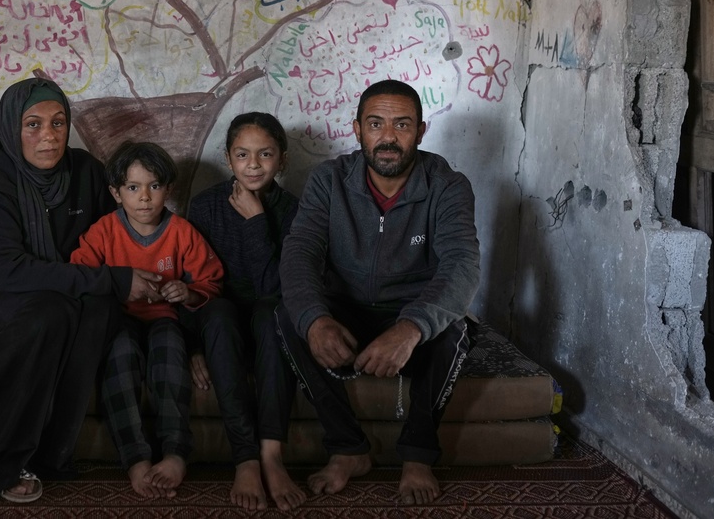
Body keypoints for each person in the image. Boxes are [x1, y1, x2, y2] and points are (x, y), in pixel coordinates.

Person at [0, 77, 164, 503]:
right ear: (11, 127)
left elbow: (118, 240)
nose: (48, 137)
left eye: (58, 123)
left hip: (57, 303)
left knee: (98, 309)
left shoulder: (86, 172)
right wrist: (111, 278)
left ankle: (46, 454)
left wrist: (151, 283)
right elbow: (8, 273)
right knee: (50, 313)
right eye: (32, 125)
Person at [276, 79, 480, 505]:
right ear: (357, 129)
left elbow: (462, 265)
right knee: (287, 314)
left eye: (402, 125)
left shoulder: (447, 185)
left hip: (409, 313)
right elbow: (299, 254)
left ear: (421, 132)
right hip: (345, 312)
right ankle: (348, 448)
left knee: (456, 329)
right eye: (376, 124)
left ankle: (418, 455)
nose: (388, 137)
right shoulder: (328, 180)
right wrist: (315, 319)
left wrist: (411, 328)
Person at [70, 141, 223, 499]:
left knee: (169, 348)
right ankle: (136, 457)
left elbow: (211, 280)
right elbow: (79, 273)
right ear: (115, 192)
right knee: (120, 353)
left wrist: (188, 293)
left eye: (154, 187)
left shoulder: (182, 232)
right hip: (119, 321)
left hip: (165, 321)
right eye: (133, 188)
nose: (144, 198)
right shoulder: (104, 231)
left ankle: (174, 453)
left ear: (168, 189)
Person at [183, 112, 307, 511]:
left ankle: (271, 455)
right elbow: (190, 285)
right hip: (219, 328)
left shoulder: (294, 212)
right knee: (218, 311)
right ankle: (246, 459)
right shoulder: (204, 207)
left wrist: (256, 221)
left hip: (270, 325)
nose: (253, 164)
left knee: (272, 311)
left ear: (282, 160)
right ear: (228, 157)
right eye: (243, 154)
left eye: (265, 154)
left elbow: (275, 289)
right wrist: (192, 347)